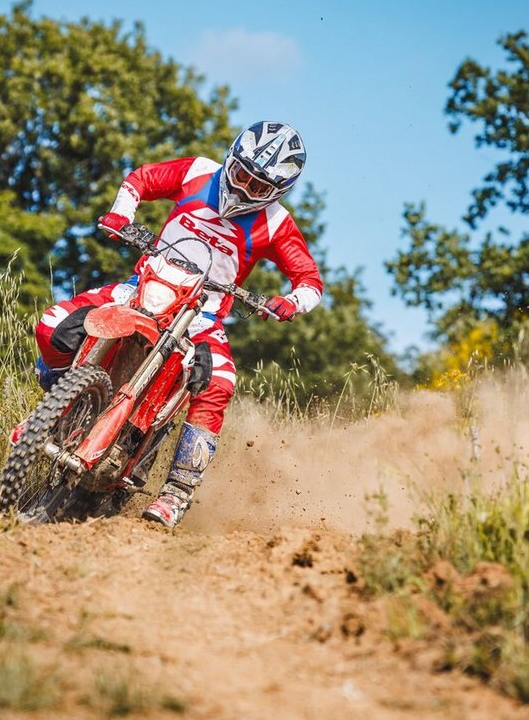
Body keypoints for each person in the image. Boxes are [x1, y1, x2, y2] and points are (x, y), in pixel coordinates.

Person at [26, 121, 323, 527]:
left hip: (202, 316)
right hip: (142, 286)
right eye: (241, 174)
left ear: (276, 192)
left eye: (258, 187)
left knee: (219, 382)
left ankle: (176, 491)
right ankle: (60, 399)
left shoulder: (276, 223)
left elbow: (310, 281)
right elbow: (140, 180)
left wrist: (289, 302)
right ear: (231, 159)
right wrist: (121, 213)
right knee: (51, 324)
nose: (244, 189)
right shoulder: (198, 171)